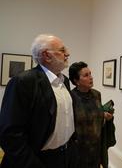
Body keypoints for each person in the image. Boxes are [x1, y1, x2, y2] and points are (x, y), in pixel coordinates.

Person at [0, 34, 77, 168]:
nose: (68, 54)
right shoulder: (23, 82)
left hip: (65, 156)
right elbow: (10, 134)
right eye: (62, 50)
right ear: (47, 56)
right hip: (37, 160)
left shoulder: (65, 81)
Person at [69, 61, 116, 168]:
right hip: (78, 150)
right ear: (76, 81)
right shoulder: (70, 97)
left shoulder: (96, 94)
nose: (91, 77)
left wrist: (105, 116)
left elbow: (95, 114)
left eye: (90, 74)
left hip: (96, 148)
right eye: (86, 75)